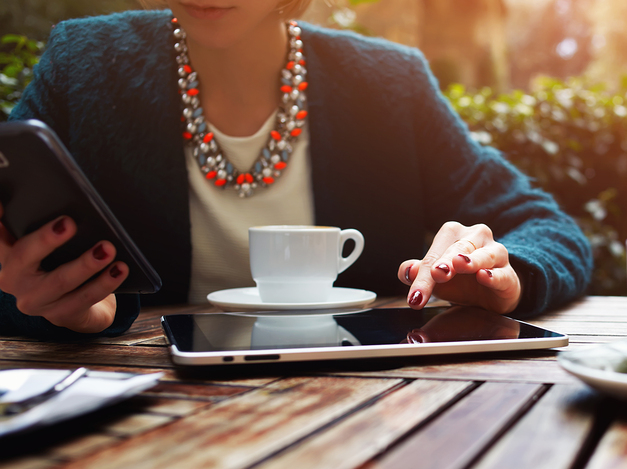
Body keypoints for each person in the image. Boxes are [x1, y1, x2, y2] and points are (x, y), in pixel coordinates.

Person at [0, 0, 592, 338]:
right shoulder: (84, 64)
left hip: (371, 419)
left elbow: (550, 230)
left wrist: (504, 279)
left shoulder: (390, 82)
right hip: (142, 426)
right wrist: (70, 311)